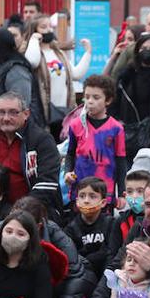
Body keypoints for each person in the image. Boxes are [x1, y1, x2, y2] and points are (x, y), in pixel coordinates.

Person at [0, 92, 62, 212]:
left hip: (33, 213)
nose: (6, 118)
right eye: (1, 112)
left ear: (26, 114)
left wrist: (19, 212)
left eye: (13, 112)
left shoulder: (41, 140)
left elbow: (47, 184)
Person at [62, 75, 127, 204]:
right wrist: (67, 172)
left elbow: (121, 162)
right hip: (80, 190)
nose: (90, 101)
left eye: (96, 97)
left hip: (104, 192)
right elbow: (70, 154)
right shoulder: (76, 125)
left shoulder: (116, 129)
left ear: (107, 100)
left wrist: (121, 194)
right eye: (87, 97)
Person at [23, 14, 92, 137]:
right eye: (43, 27)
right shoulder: (34, 52)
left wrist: (88, 53)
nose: (49, 30)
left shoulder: (58, 53)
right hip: (44, 112)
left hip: (65, 110)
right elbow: (32, 61)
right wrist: (33, 40)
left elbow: (75, 74)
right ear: (35, 30)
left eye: (50, 26)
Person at [63, 177, 123, 298]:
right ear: (77, 201)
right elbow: (73, 259)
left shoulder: (111, 223)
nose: (86, 201)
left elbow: (111, 254)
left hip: (106, 276)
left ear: (103, 202)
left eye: (92, 196)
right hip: (83, 276)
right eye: (82, 196)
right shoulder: (70, 228)